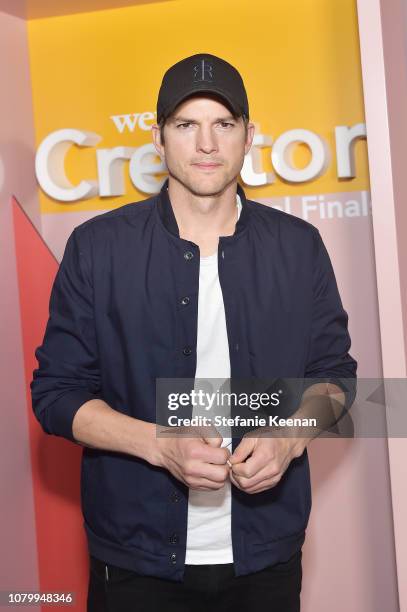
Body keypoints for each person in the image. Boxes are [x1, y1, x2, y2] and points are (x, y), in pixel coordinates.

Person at [30, 53, 357, 611]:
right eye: (186, 125)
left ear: (248, 135)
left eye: (223, 124)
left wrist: (290, 436)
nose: (206, 144)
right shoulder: (98, 248)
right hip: (135, 560)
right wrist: (162, 445)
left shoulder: (298, 248)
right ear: (157, 138)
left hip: (266, 558)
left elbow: (337, 382)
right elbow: (56, 395)